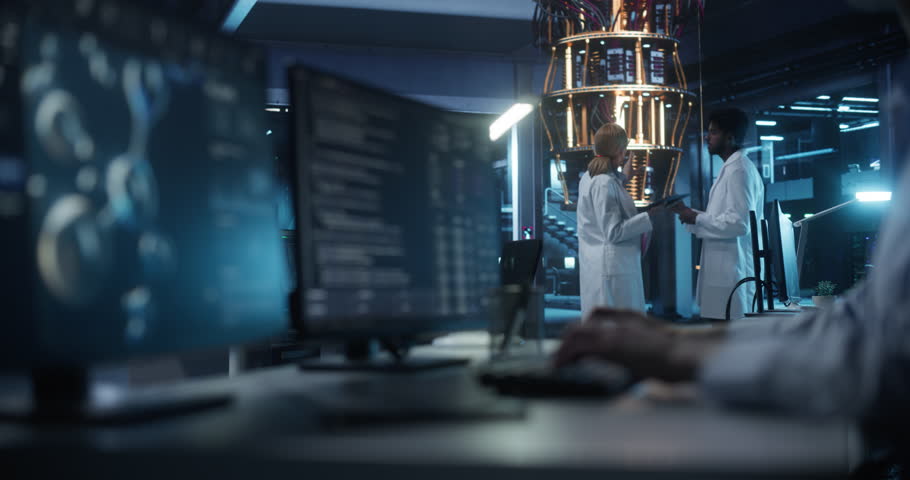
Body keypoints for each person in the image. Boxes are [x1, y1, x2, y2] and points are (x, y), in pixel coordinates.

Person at [670, 108, 765, 321]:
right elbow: (725, 218)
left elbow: (739, 224)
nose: (707, 137)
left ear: (730, 137)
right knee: (722, 338)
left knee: (728, 343)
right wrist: (689, 214)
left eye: (713, 132)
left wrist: (695, 217)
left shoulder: (739, 170)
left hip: (734, 273)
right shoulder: (731, 168)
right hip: (725, 271)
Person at [576, 123, 660, 315]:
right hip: (613, 269)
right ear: (620, 150)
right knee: (619, 331)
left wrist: (624, 178)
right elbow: (614, 232)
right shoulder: (604, 183)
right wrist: (650, 214)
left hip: (601, 266)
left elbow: (606, 192)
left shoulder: (590, 177)